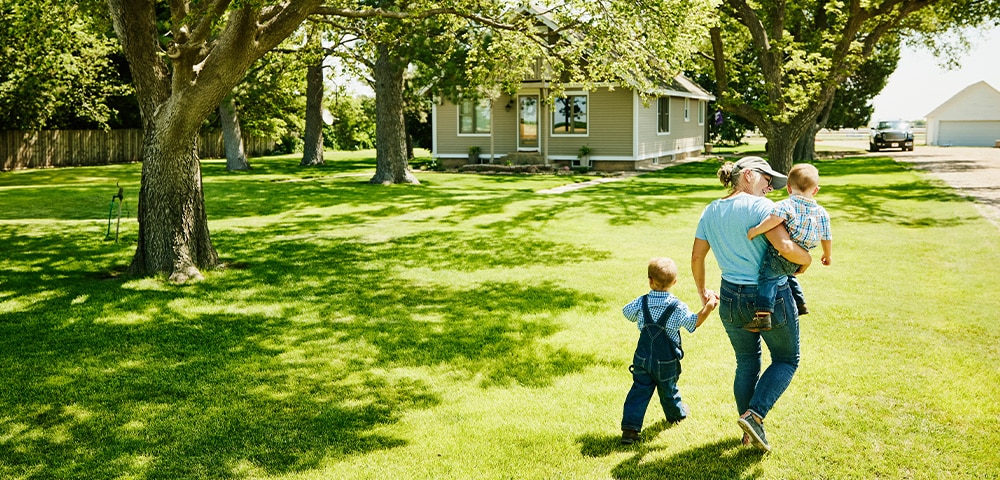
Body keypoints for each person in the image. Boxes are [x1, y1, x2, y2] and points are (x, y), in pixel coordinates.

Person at [691, 156, 813, 453]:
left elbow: (697, 257)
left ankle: (748, 433)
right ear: (747, 175)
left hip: (730, 296)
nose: (770, 187)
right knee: (786, 359)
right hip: (768, 298)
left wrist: (702, 291)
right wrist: (808, 259)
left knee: (746, 362)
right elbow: (786, 249)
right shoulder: (764, 209)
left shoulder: (711, 211)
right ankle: (754, 416)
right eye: (766, 179)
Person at [620, 257, 719, 445]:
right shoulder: (677, 306)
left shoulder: (642, 302)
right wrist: (708, 307)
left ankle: (630, 430)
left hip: (642, 359)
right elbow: (693, 322)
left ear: (650, 280)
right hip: (666, 361)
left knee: (639, 391)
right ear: (674, 282)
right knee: (668, 390)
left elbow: (626, 312)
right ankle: (676, 416)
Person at [745, 163, 833, 330]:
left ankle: (763, 316)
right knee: (788, 274)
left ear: (788, 188)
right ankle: (800, 302)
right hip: (800, 256)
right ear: (815, 190)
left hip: (781, 254)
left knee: (767, 277)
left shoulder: (786, 205)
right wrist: (827, 255)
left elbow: (773, 220)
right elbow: (827, 237)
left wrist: (755, 231)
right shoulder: (821, 212)